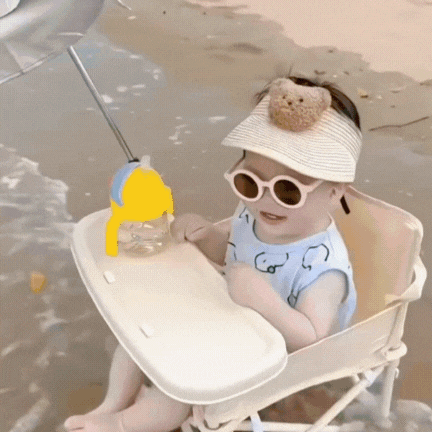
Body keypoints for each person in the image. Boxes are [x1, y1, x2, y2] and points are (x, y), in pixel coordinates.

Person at [64, 75, 362, 432]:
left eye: (288, 190)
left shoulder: (324, 267)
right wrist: (207, 236)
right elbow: (232, 252)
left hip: (266, 354)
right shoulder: (256, 213)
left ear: (335, 193)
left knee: (179, 393)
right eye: (249, 182)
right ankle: (109, 405)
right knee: (142, 336)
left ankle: (120, 424)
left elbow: (313, 339)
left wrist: (264, 302)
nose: (265, 200)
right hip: (227, 315)